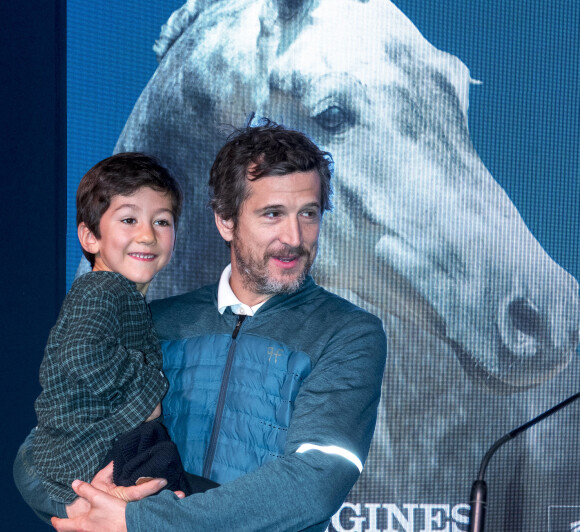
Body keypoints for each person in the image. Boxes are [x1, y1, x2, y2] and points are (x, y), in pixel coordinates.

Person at [51, 119, 387, 532]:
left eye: (309, 214)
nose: (294, 237)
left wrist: (141, 521)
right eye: (272, 214)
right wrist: (83, 511)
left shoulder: (349, 333)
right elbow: (42, 450)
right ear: (225, 220)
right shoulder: (153, 322)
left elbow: (314, 482)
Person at [13, 152, 216, 525]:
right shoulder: (103, 289)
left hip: (96, 456)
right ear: (90, 237)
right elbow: (81, 353)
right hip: (85, 456)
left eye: (162, 221)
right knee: (199, 503)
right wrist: (147, 395)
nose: (147, 234)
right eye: (129, 219)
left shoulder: (122, 295)